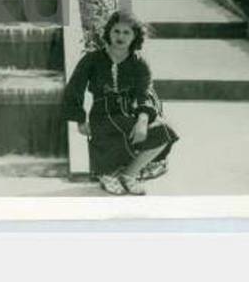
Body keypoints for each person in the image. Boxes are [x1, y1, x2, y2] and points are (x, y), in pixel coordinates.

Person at [62, 10, 179, 195]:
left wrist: (142, 121)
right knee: (109, 136)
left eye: (126, 33)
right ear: (108, 32)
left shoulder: (139, 63)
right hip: (102, 113)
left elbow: (144, 93)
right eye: (116, 31)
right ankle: (107, 175)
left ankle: (129, 174)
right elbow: (74, 88)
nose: (120, 37)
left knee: (165, 131)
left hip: (130, 111)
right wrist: (80, 120)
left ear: (135, 37)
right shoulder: (92, 59)